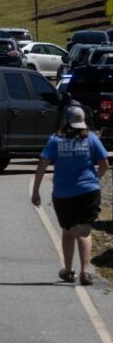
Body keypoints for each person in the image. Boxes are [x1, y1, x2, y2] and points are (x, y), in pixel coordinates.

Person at [31, 107, 109, 286]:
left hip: (63, 193)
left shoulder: (55, 140)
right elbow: (104, 163)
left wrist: (36, 190)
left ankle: (67, 269)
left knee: (68, 231)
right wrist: (95, 179)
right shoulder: (91, 139)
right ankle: (85, 272)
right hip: (88, 191)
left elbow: (43, 163)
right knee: (84, 231)